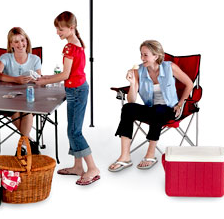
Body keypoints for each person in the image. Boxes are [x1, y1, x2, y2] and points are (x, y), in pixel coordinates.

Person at [108, 40, 194, 172]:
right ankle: (125, 156)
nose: (142, 58)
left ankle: (150, 154)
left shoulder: (170, 67)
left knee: (158, 110)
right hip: (151, 109)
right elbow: (131, 100)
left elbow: (189, 84)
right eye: (141, 54)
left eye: (145, 55)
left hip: (170, 110)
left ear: (156, 56)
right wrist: (132, 83)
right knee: (127, 108)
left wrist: (180, 103)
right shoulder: (138, 71)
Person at [36, 11, 100, 186]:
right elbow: (70, 73)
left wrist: (45, 81)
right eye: (57, 29)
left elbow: (65, 74)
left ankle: (92, 168)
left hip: (77, 91)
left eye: (60, 29)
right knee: (72, 129)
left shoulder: (70, 47)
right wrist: (48, 77)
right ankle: (78, 167)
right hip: (77, 89)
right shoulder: (77, 43)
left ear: (71, 28)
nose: (57, 33)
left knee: (74, 132)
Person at [0, 26, 42, 154]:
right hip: (9, 97)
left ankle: (23, 145)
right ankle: (28, 141)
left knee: (27, 110)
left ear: (27, 41)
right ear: (11, 44)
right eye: (16, 41)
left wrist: (34, 78)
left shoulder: (35, 59)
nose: (20, 44)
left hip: (29, 95)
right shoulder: (5, 57)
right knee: (15, 111)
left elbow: (39, 79)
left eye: (22, 40)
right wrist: (15, 79)